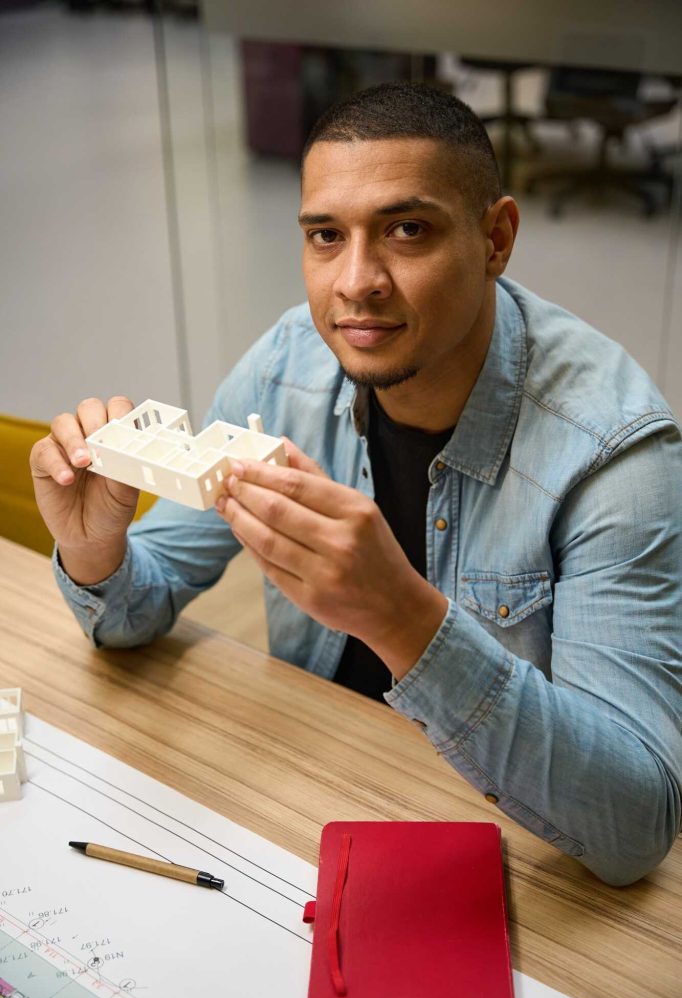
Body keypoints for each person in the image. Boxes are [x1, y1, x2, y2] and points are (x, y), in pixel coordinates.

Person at [31, 83, 681, 887]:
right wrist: (97, 554)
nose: (356, 282)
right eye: (325, 236)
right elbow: (138, 610)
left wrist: (403, 617)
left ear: (496, 238)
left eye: (408, 230)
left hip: (509, 845)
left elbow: (634, 827)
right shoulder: (285, 370)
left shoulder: (615, 457)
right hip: (315, 797)